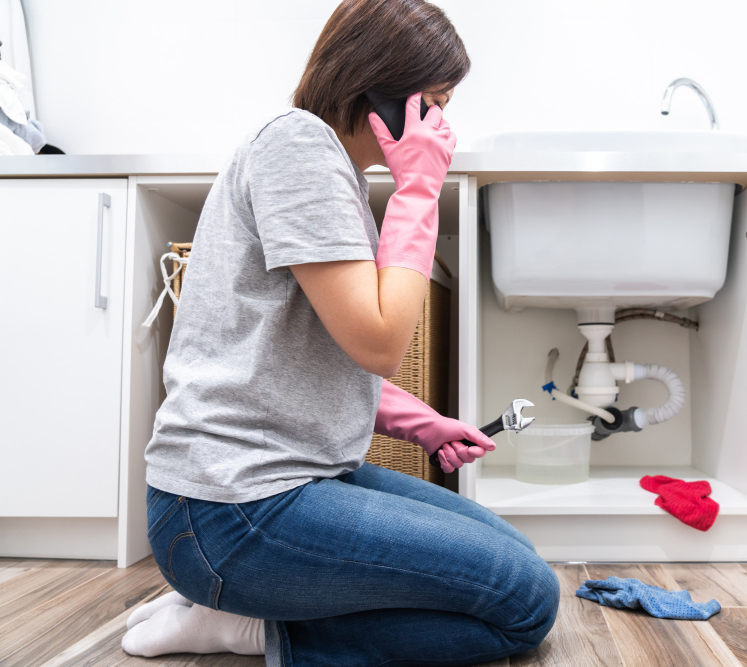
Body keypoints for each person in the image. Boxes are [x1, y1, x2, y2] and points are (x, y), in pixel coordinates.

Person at [120, 1, 560, 665]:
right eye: (433, 104)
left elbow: (301, 359)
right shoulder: (298, 147)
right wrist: (419, 188)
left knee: (518, 561)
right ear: (382, 91)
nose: (441, 126)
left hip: (280, 486)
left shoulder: (329, 166)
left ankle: (220, 601)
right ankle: (244, 626)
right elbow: (380, 342)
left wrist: (424, 423)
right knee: (526, 601)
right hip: (230, 510)